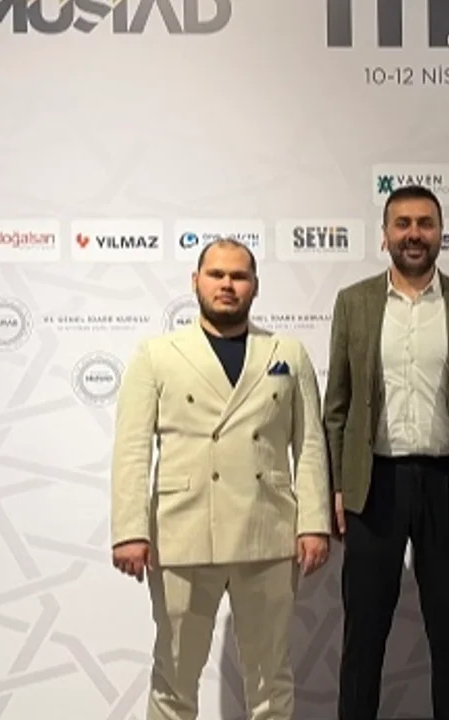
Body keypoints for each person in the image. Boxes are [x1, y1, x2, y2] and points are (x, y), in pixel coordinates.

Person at [109, 238, 332, 720]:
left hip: (268, 531)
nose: (227, 285)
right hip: (182, 532)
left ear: (255, 286)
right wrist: (129, 530)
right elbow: (131, 448)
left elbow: (310, 445)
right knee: (173, 677)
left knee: (271, 680)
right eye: (216, 274)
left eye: (238, 276)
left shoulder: (288, 353)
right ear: (196, 281)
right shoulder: (156, 354)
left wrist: (314, 523)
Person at [323, 184, 449, 720]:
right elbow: (337, 405)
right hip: (373, 483)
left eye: (425, 223)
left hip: (448, 484)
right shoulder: (354, 302)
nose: (414, 234)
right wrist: (337, 484)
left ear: (441, 233)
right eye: (403, 224)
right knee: (364, 633)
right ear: (385, 235)